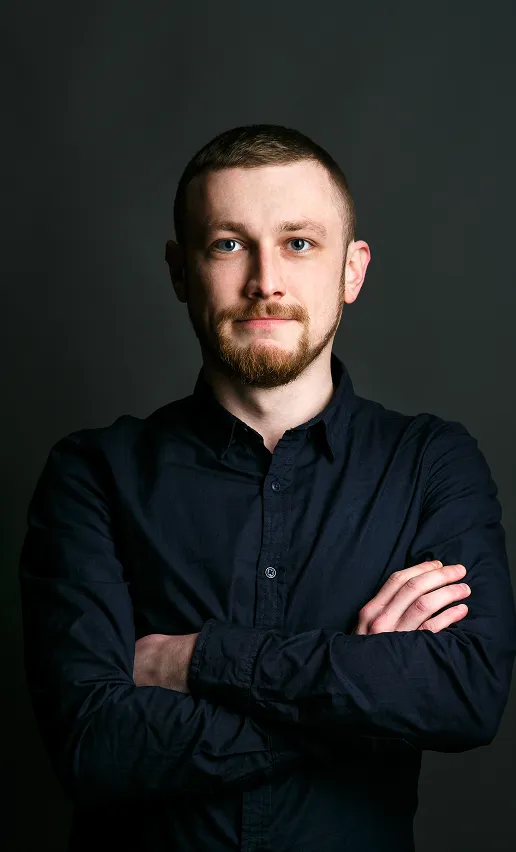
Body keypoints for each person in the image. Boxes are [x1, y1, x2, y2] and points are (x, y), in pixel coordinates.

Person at [19, 123, 516, 852]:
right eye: (227, 244)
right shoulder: (93, 473)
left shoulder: (432, 463)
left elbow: (467, 696)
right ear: (180, 270)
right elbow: (95, 745)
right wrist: (358, 685)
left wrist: (195, 661)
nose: (266, 282)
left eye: (299, 243)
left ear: (353, 270)